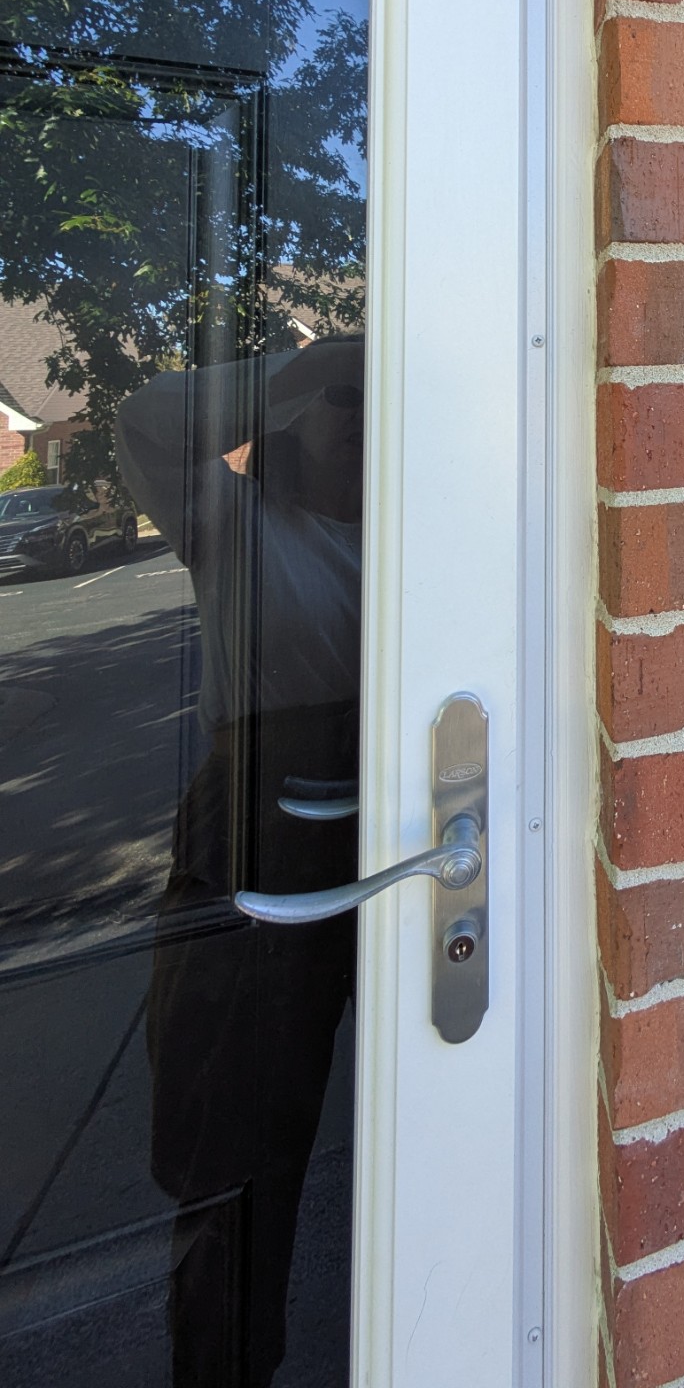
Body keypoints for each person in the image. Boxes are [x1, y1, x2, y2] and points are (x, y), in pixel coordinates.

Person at [115, 336, 364, 1388]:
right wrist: (290, 372)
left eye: (366, 413)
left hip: (401, 819)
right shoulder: (235, 517)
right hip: (258, 823)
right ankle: (222, 1361)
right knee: (236, 1134)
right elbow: (145, 420)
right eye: (335, 411)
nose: (350, 430)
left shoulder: (424, 532)